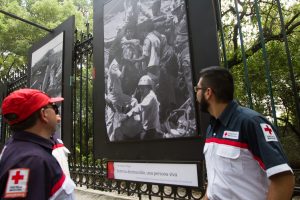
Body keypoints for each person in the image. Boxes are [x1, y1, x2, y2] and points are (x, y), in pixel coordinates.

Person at [195, 66, 295, 200]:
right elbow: (216, 180)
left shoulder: (251, 123)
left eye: (197, 89)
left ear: (208, 93)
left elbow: (283, 178)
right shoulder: (212, 127)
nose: (196, 93)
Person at [0, 88, 75, 199]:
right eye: (54, 108)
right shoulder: (32, 160)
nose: (57, 116)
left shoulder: (18, 148)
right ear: (44, 114)